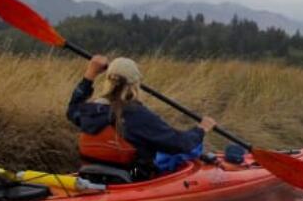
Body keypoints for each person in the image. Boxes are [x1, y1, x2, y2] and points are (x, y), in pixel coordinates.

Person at [67, 55, 216, 179]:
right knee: (169, 158)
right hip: (132, 180)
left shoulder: (91, 111)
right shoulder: (137, 116)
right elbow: (179, 144)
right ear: (135, 85)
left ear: (108, 81)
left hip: (90, 177)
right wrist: (201, 129)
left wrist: (90, 73)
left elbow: (72, 109)